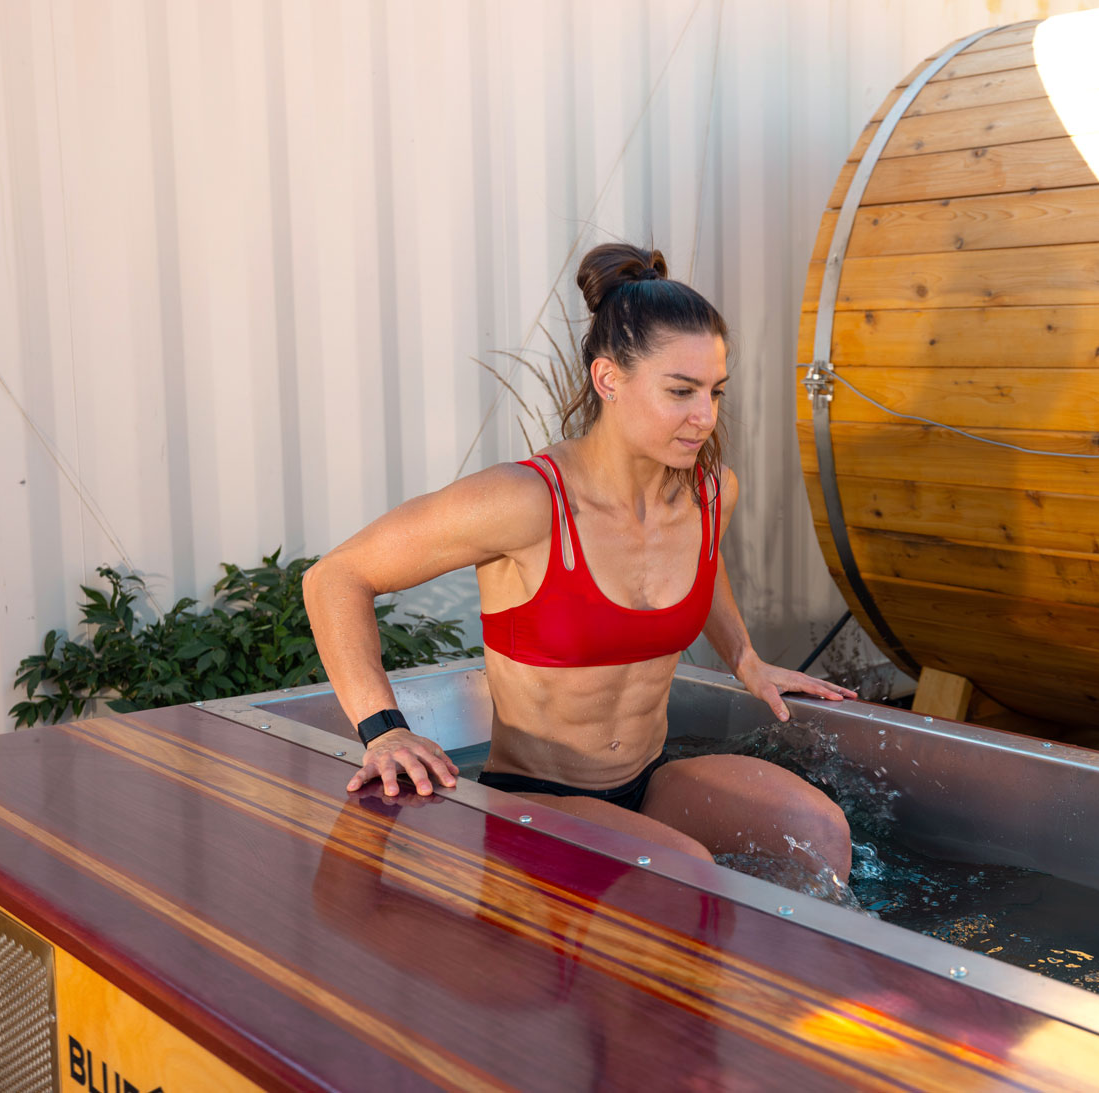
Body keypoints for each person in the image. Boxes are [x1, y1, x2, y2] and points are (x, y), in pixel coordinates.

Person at [302, 242, 855, 880]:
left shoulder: (709, 492)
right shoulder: (525, 502)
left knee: (820, 830)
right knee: (686, 873)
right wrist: (384, 731)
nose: (703, 417)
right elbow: (337, 576)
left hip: (647, 783)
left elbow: (703, 567)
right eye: (680, 391)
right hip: (533, 800)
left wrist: (744, 657)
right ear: (608, 379)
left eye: (714, 392)